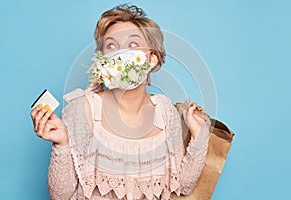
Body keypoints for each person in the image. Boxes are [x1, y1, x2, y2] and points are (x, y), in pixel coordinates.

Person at [30, 4, 210, 200]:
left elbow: (183, 185)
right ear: (102, 60)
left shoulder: (165, 110)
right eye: (111, 46)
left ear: (153, 58)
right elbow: (61, 196)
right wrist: (62, 144)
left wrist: (199, 135)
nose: (121, 53)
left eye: (132, 44)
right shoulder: (82, 109)